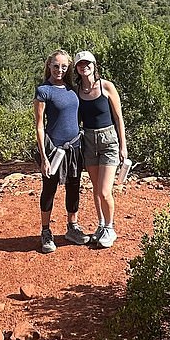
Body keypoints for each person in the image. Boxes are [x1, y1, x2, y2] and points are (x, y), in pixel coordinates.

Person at [34, 49, 90, 253]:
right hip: (54, 148)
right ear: (49, 65)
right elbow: (39, 125)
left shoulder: (72, 89)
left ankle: (72, 227)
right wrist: (43, 157)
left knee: (74, 186)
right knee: (49, 189)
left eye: (64, 66)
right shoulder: (43, 90)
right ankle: (46, 231)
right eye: (56, 66)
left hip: (75, 146)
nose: (59, 69)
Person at [74, 50, 127, 249]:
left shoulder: (106, 86)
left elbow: (119, 117)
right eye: (80, 64)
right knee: (96, 190)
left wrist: (123, 146)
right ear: (77, 69)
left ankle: (110, 227)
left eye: (87, 63)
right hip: (88, 140)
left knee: (105, 191)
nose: (84, 66)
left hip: (108, 140)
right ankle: (101, 225)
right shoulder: (77, 90)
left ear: (94, 65)